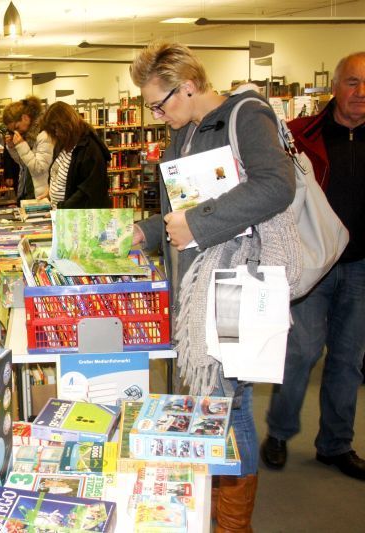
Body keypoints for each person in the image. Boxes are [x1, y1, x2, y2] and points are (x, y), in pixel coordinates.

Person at [130, 41, 299, 531]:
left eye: (160, 104)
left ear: (187, 87)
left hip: (235, 286)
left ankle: (232, 523)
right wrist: (151, 230)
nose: (158, 115)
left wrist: (198, 227)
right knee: (217, 402)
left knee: (225, 405)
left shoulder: (246, 116)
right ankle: (217, 510)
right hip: (197, 290)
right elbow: (181, 211)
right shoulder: (180, 135)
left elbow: (275, 186)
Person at [261, 51, 365, 481]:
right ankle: (280, 433)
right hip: (312, 264)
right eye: (353, 83)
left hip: (361, 266)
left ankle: (335, 444)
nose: (361, 94)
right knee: (300, 351)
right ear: (335, 87)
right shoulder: (301, 135)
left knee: (348, 359)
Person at [39, 101, 111, 208]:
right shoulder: (62, 144)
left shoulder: (90, 149)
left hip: (77, 217)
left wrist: (63, 208)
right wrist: (50, 191)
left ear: (68, 124)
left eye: (57, 128)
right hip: (59, 213)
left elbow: (88, 191)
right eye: (53, 130)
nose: (56, 133)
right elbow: (57, 175)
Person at [2, 96, 53, 200]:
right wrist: (12, 148)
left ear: (25, 118)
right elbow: (24, 164)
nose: (17, 132)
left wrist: (21, 145)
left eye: (17, 127)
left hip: (42, 194)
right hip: (29, 191)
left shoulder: (44, 135)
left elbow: (39, 168)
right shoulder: (28, 135)